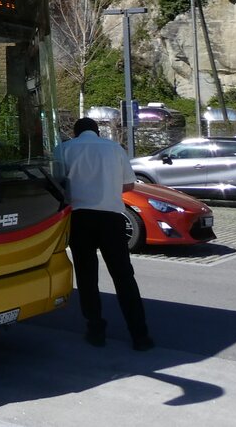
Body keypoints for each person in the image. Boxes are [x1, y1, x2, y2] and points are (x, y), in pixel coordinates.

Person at [55, 116, 154, 351]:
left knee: (87, 276)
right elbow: (129, 185)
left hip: (79, 218)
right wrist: (107, 186)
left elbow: (58, 183)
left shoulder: (64, 149)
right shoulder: (114, 148)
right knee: (123, 276)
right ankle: (139, 335)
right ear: (97, 131)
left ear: (76, 133)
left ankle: (96, 330)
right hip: (111, 218)